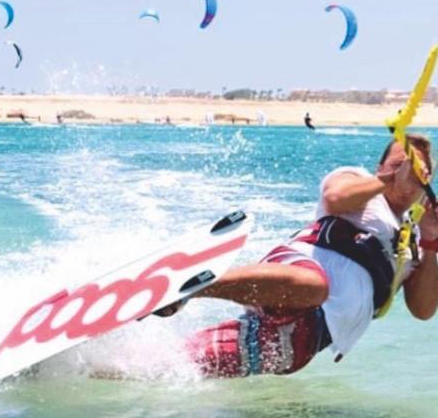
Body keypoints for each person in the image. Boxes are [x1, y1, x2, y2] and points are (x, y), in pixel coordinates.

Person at [156, 134, 438, 377]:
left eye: (417, 173)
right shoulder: (359, 182)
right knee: (314, 286)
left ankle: (127, 361)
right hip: (296, 274)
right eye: (399, 165)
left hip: (310, 335)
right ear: (381, 167)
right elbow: (335, 199)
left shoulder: (413, 242)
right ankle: (189, 285)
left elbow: (423, 310)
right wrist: (388, 180)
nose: (407, 177)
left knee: (180, 366)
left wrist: (430, 239)